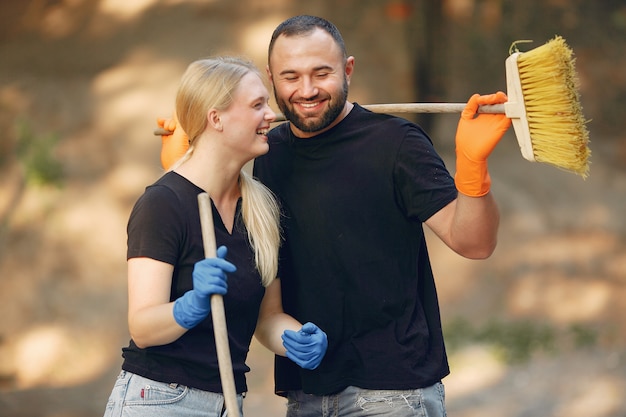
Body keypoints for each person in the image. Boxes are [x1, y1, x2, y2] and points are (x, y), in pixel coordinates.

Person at [158, 15, 510, 417]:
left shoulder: (396, 144)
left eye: (321, 73)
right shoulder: (266, 153)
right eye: (291, 77)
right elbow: (223, 232)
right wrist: (192, 155)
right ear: (271, 78)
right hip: (306, 394)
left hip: (392, 391)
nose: (307, 91)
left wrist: (472, 165)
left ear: (348, 70)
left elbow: (476, 243)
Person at [103, 56, 327, 417]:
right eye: (257, 105)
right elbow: (142, 327)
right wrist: (191, 305)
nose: (271, 115)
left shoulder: (261, 210)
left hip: (227, 403)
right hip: (160, 400)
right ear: (216, 118)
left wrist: (295, 338)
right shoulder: (163, 204)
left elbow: (268, 319)